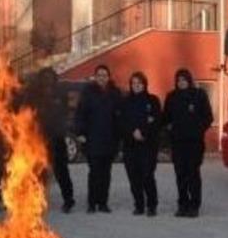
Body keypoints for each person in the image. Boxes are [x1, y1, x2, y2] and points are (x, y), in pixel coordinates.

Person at [162, 69, 213, 218]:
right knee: (180, 175)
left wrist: (198, 130)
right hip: (178, 143)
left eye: (184, 80)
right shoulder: (171, 97)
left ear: (189, 80)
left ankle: (194, 205)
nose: (181, 83)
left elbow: (208, 117)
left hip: (194, 143)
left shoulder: (199, 95)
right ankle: (182, 204)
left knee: (193, 174)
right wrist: (168, 129)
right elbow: (166, 118)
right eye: (178, 80)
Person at [75, 64, 122, 213]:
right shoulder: (88, 93)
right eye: (99, 75)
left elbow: (120, 116)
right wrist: (80, 133)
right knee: (94, 172)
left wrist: (119, 135)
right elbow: (80, 114)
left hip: (109, 139)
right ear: (95, 77)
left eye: (104, 75)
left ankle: (103, 203)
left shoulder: (115, 93)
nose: (102, 78)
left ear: (109, 77)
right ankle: (92, 203)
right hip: (92, 139)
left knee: (106, 173)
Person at [27, 67, 75, 213]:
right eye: (44, 78)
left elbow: (65, 112)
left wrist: (62, 127)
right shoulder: (35, 95)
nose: (47, 81)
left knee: (62, 171)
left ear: (54, 79)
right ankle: (37, 200)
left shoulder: (60, 94)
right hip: (39, 138)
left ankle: (68, 200)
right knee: (38, 171)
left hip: (57, 137)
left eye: (50, 78)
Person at [121, 71, 161, 217]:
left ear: (144, 84)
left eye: (139, 83)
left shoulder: (153, 100)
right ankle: (139, 205)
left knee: (147, 175)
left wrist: (142, 132)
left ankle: (152, 205)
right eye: (133, 83)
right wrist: (132, 131)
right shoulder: (126, 102)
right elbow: (122, 122)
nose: (136, 86)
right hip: (130, 145)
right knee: (133, 177)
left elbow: (156, 121)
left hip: (148, 145)